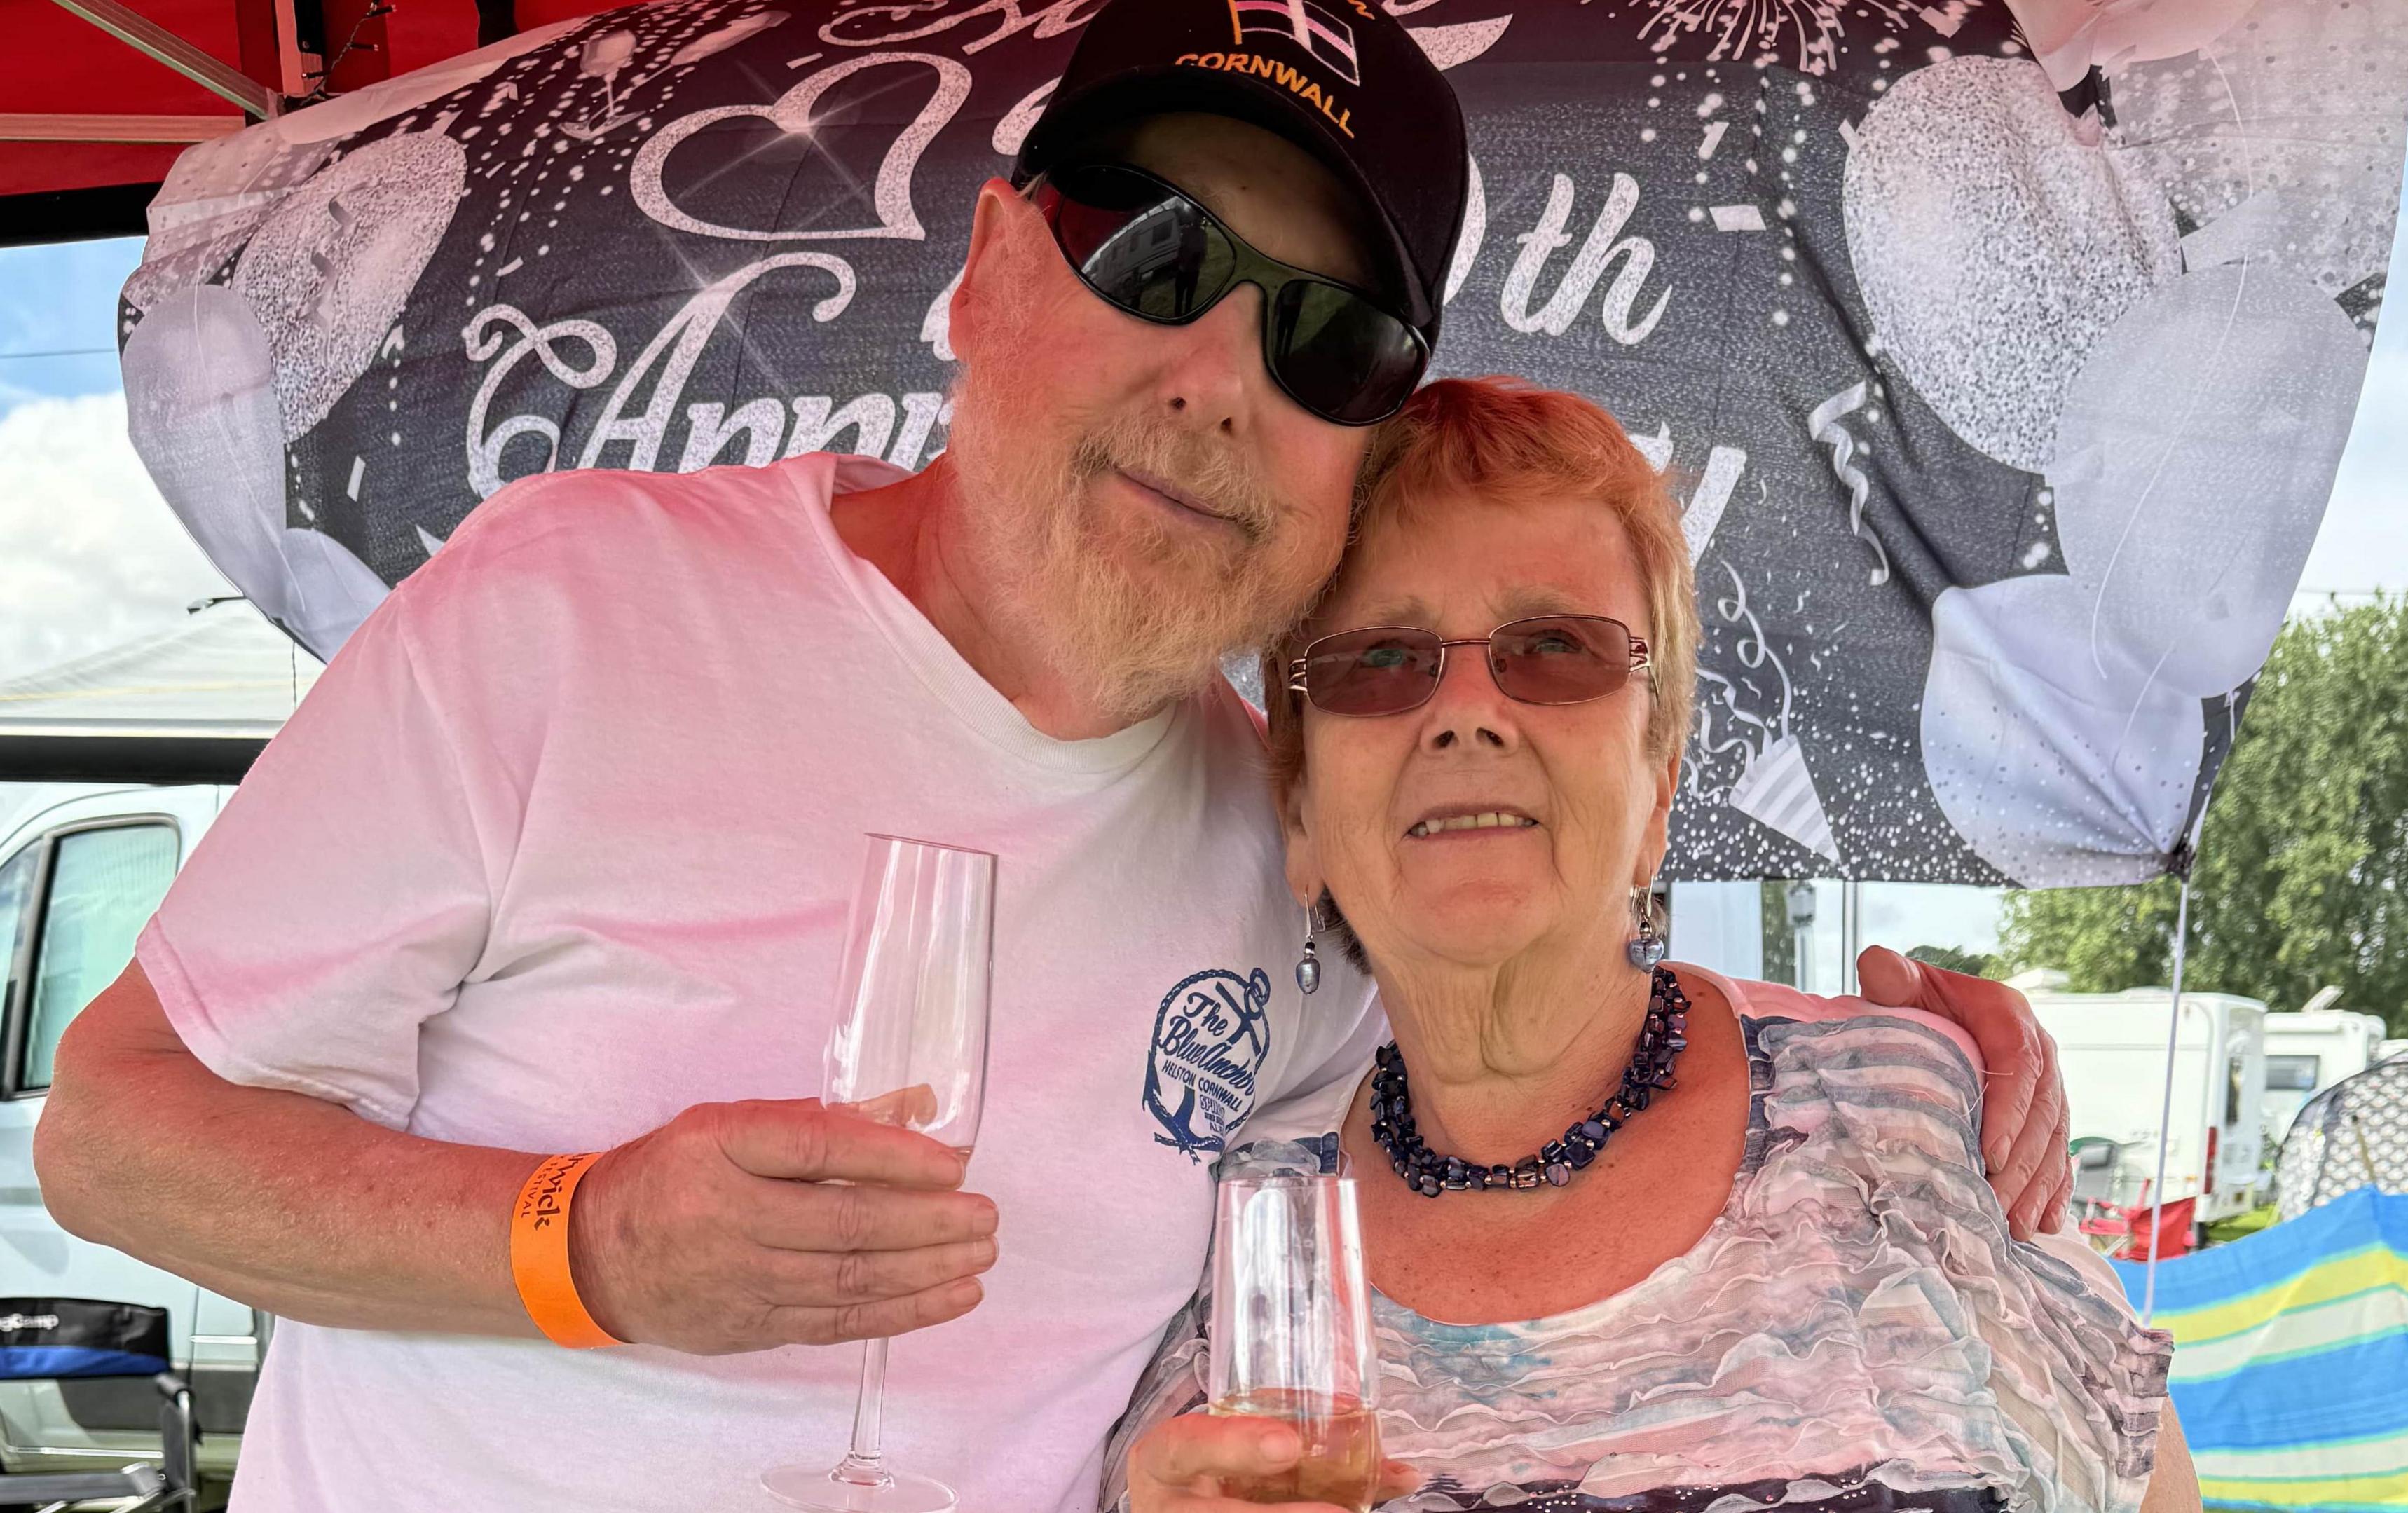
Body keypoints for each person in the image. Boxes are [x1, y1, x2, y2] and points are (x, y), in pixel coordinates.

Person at [37, 5, 2070, 1509]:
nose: (1215, 381)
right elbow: (113, 1135)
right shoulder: (569, 613)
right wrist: (581, 1249)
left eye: (1327, 338)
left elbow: (1519, 1030)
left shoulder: (1275, 835)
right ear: (993, 271)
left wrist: (1910, 1044)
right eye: (1155, 256)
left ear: (1360, 437)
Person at [1117, 378, 2196, 1513]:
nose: (1467, 711)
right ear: (1299, 815)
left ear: (1657, 787)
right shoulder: (1240, 1248)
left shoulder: (1902, 1125)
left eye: (1554, 648)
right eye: (1380, 660)